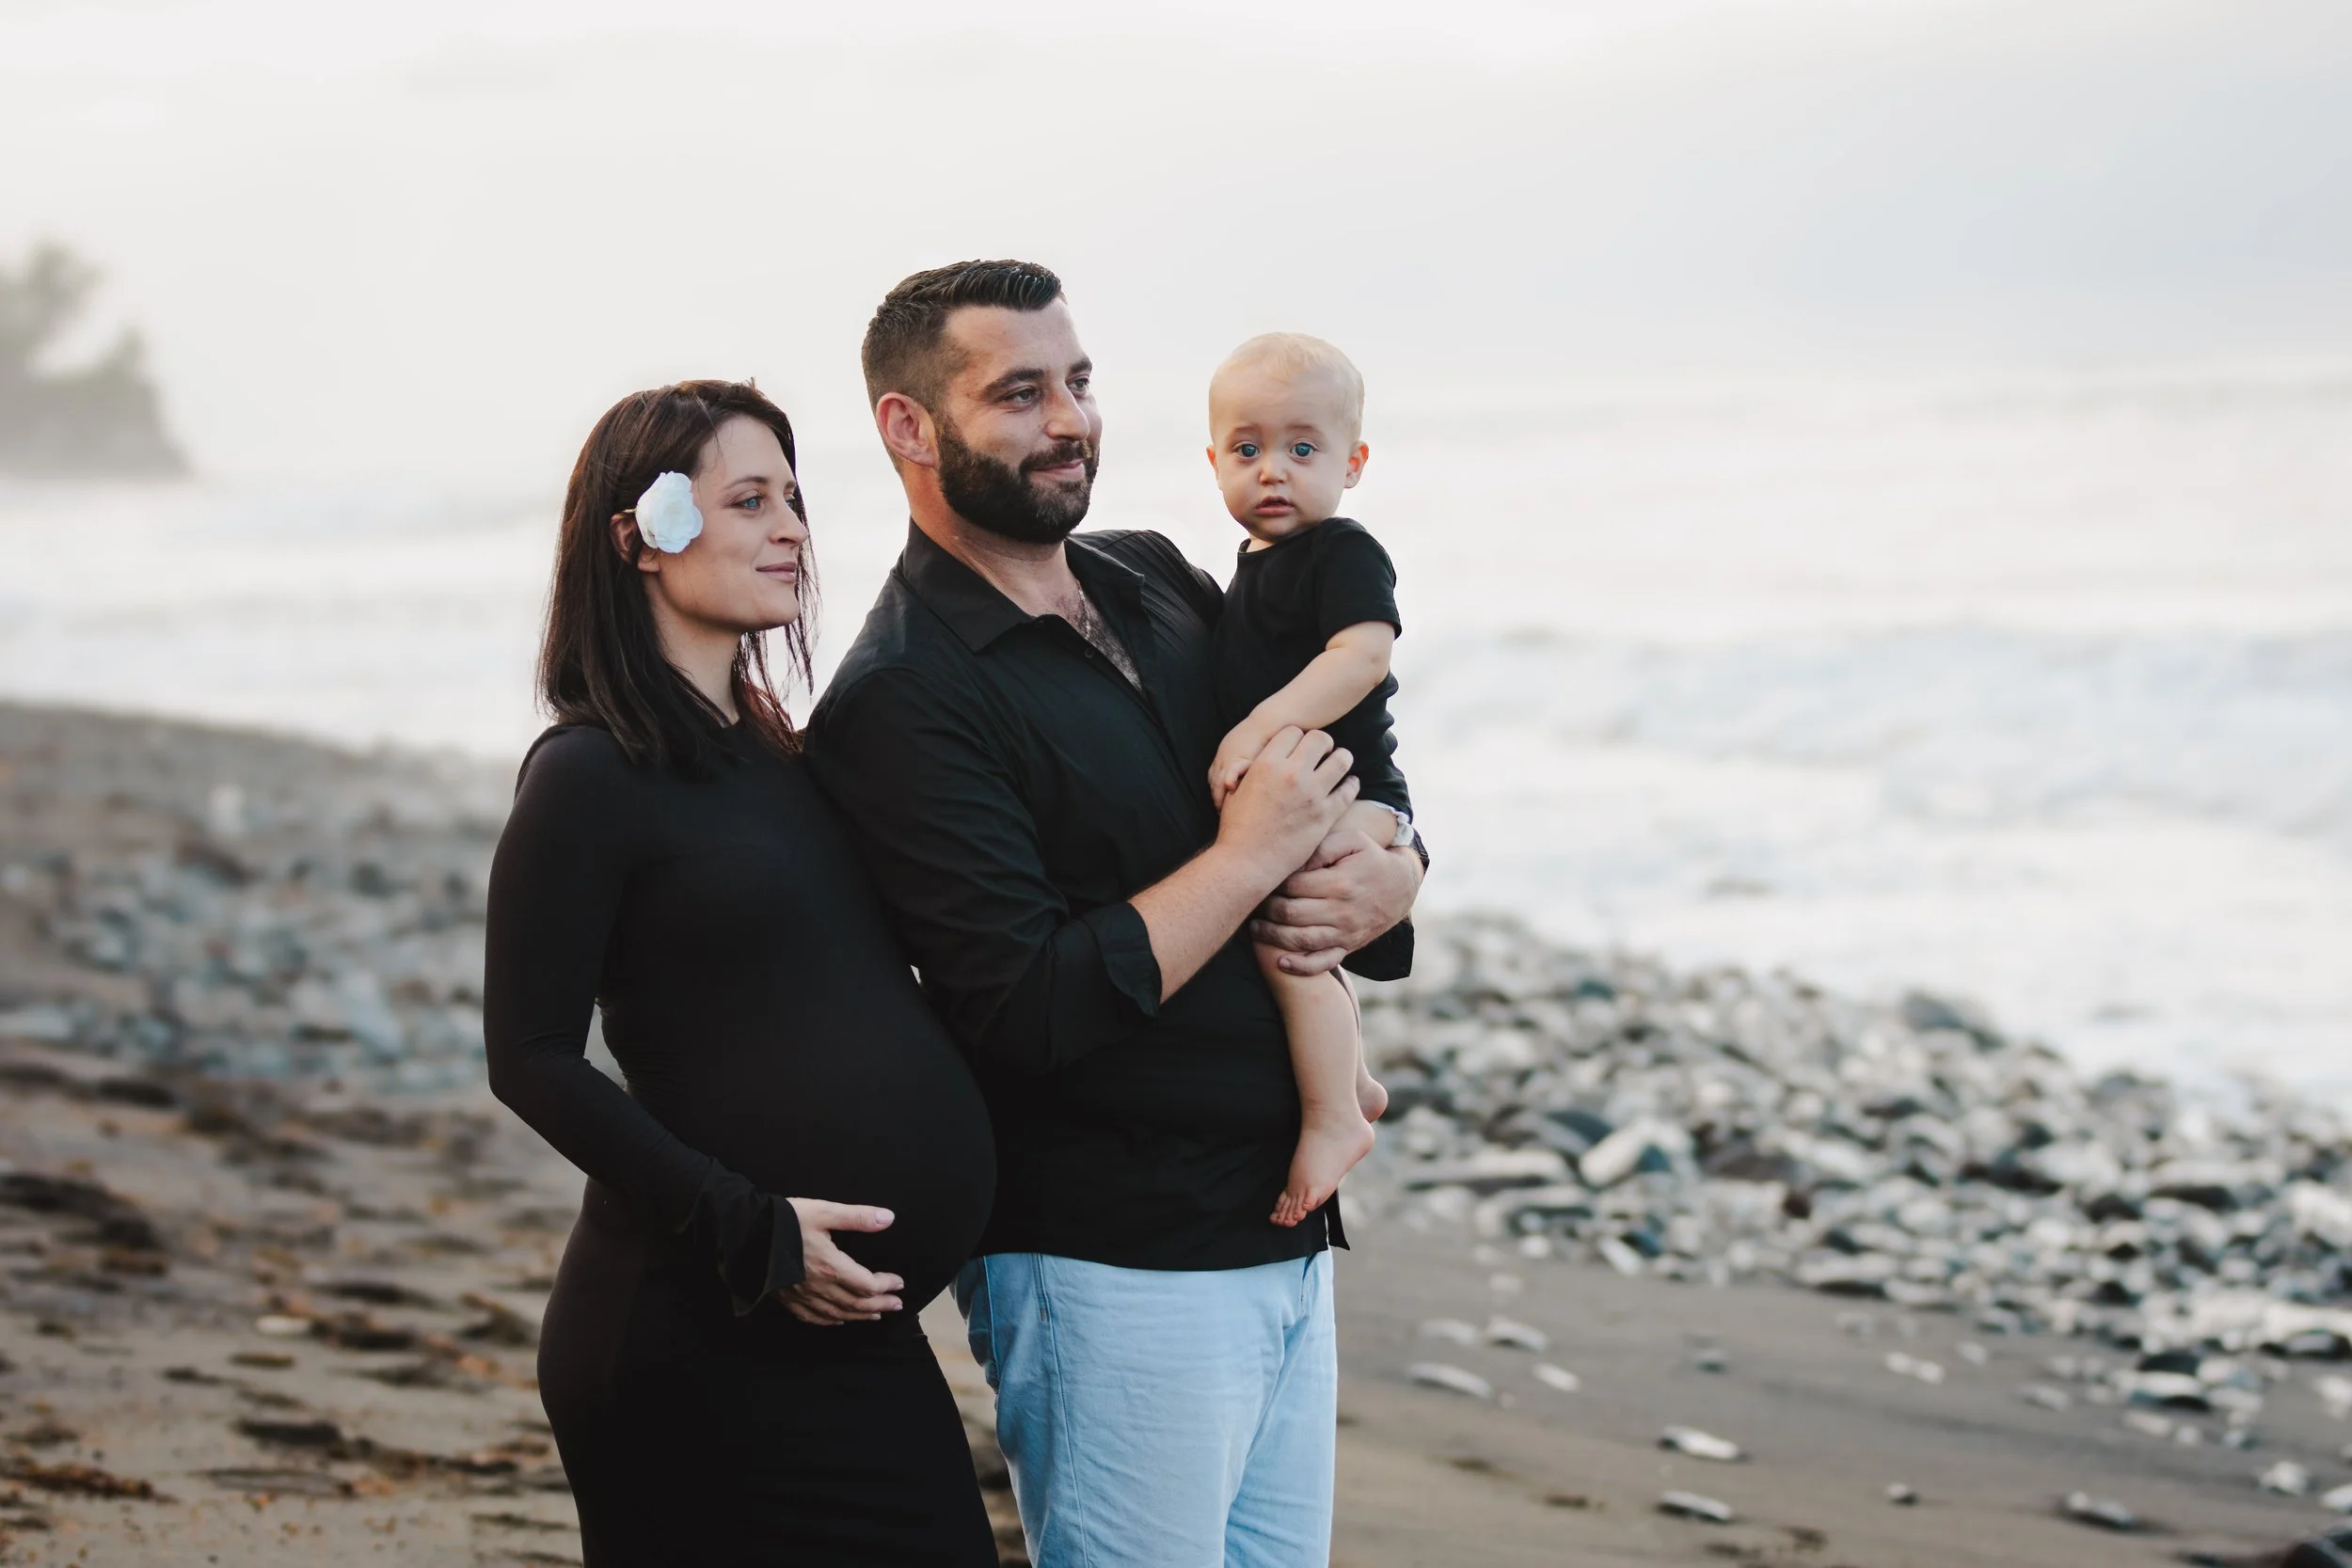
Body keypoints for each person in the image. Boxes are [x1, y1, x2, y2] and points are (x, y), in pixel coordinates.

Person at [804, 261, 1425, 1568]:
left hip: (1282, 1227)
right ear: (910, 427)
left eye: (1078, 381)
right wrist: (1251, 856)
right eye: (1019, 392)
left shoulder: (1154, 575)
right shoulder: (901, 695)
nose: (1070, 419)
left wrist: (1401, 863)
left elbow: (1339, 731)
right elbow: (1026, 1003)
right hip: (1110, 1259)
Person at [483, 380, 998, 1566]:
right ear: (640, 537)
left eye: (795, 500)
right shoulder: (587, 774)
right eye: (749, 501)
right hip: (696, 1335)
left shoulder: (782, 757)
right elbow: (531, 1058)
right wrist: (753, 1231)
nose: (792, 530)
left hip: (843, 1333)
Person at [1203, 331, 1411, 1228]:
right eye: (1247, 449)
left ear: (1352, 463)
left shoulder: (1343, 551)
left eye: (1302, 448)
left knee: (1285, 937)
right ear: (1214, 462)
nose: (1273, 471)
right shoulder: (1250, 569)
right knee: (1284, 920)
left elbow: (1363, 656)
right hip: (1325, 794)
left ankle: (1334, 1118)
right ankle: (1352, 1079)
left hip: (1359, 793)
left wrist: (1259, 727)